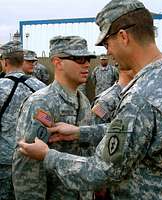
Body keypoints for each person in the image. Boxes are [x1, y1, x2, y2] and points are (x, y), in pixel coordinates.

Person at [17, 0, 162, 199]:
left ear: (123, 36)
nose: (107, 52)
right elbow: (142, 131)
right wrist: (81, 133)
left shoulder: (139, 98)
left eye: (106, 43)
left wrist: (47, 155)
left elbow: (100, 171)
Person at [12, 35, 96, 200]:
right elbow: (28, 164)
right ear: (58, 62)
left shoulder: (83, 101)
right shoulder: (42, 103)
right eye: (79, 59)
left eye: (88, 58)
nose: (86, 64)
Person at [0, 41, 46, 200]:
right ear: (22, 60)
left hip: (5, 160)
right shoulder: (41, 87)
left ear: (5, 62)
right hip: (34, 157)